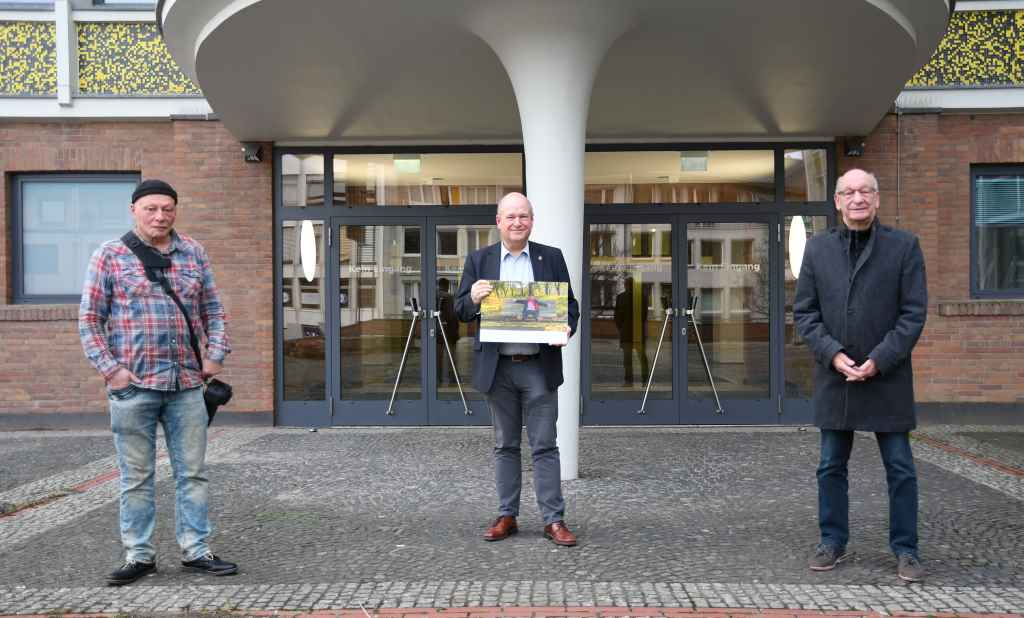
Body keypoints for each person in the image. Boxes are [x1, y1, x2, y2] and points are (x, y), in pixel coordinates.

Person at [79, 179, 238, 586]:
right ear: (134, 209)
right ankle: (139, 555)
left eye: (167, 208)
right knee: (136, 476)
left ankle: (197, 550)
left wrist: (215, 354)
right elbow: (89, 320)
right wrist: (112, 371)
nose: (159, 216)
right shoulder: (110, 255)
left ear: (175, 211)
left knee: (193, 473)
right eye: (151, 208)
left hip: (186, 385)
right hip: (133, 387)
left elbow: (213, 309)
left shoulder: (193, 252)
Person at [793, 169, 928, 582]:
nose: (857, 198)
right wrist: (833, 355)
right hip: (836, 379)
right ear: (837, 201)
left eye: (865, 190)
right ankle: (832, 540)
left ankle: (906, 549)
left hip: (887, 377)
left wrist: (879, 359)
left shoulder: (904, 247)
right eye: (848, 192)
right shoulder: (817, 250)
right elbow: (805, 313)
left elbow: (913, 314)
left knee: (901, 467)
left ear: (877, 198)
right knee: (831, 465)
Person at [455, 192, 580, 546]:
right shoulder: (480, 260)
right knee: (505, 445)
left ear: (531, 221)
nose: (516, 222)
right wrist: (473, 298)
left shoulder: (550, 258)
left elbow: (570, 306)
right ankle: (507, 515)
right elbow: (460, 310)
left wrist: (567, 327)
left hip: (539, 367)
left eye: (523, 216)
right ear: (498, 221)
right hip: (499, 369)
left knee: (545, 445)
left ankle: (553, 520)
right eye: (510, 216)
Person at [613, 277, 650, 386]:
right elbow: (644, 315)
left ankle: (629, 381)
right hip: (638, 331)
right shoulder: (642, 297)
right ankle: (645, 381)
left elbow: (617, 317)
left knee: (627, 359)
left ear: (626, 285)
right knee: (642, 357)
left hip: (626, 332)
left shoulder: (621, 297)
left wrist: (622, 328)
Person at [436, 277, 460, 386]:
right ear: (447, 286)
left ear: (439, 285)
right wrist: (456, 332)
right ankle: (452, 379)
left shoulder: (433, 296)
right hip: (449, 332)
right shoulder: (450, 297)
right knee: (451, 357)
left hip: (436, 332)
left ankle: (437, 378)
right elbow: (453, 315)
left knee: (438, 357)